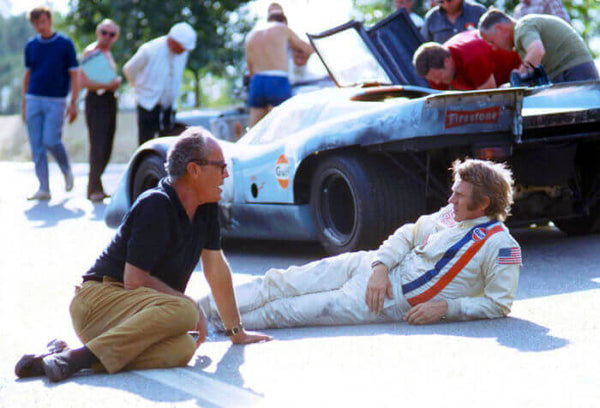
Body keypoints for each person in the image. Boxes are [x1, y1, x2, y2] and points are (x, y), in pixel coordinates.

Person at [15, 127, 271, 382]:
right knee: (186, 311)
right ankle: (75, 359)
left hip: (135, 317)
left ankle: (71, 357)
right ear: (194, 170)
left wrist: (236, 332)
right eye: (220, 166)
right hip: (97, 303)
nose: (226, 174)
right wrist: (190, 306)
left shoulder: (206, 207)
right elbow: (134, 281)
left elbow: (216, 268)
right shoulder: (156, 204)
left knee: (182, 348)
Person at [200, 159, 522, 330]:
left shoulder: (500, 245)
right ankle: (194, 312)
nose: (450, 198)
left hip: (383, 301)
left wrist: (446, 308)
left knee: (286, 311)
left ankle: (215, 325)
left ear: (483, 203)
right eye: (453, 191)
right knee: (279, 281)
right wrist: (380, 266)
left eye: (459, 195)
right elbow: (407, 234)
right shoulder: (452, 212)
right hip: (370, 266)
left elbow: (498, 304)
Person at [22, 6, 79, 201]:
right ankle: (43, 187)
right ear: (34, 25)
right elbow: (27, 75)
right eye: (37, 23)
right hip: (33, 99)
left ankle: (66, 169)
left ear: (50, 20)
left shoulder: (64, 44)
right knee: (36, 145)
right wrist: (24, 103)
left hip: (56, 100)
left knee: (51, 140)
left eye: (44, 21)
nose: (41, 26)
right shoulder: (31, 46)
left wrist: (74, 102)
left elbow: (75, 74)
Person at [123, 22, 196, 146]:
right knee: (146, 143)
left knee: (169, 144)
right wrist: (139, 88)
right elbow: (129, 69)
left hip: (168, 106)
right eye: (181, 47)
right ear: (172, 41)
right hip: (148, 104)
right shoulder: (150, 50)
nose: (183, 51)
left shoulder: (183, 54)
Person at [479, 9, 599, 83]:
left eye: (492, 42)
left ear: (500, 28)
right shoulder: (521, 35)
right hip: (570, 73)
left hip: (574, 73)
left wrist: (516, 78)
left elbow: (537, 51)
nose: (493, 48)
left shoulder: (523, 27)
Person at [245, 4, 314, 126]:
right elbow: (308, 49)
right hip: (277, 80)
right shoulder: (282, 29)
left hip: (256, 82)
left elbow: (250, 67)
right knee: (286, 126)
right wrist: (294, 50)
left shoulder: (251, 35)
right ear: (283, 20)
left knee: (254, 129)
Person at [80, 19, 122, 202]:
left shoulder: (108, 54)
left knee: (107, 145)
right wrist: (109, 84)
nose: (107, 37)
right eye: (104, 32)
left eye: (111, 34)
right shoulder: (92, 52)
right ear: (98, 32)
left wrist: (113, 86)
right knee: (98, 144)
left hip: (109, 101)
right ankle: (93, 187)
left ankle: (97, 184)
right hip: (96, 100)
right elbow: (84, 82)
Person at [413, 30, 521, 90]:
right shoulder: (435, 72)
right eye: (432, 79)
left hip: (519, 67)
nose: (436, 82)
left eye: (438, 77)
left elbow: (490, 98)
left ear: (447, 61)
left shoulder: (472, 57)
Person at [421, 0, 486, 44]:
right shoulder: (431, 18)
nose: (446, 3)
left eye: (449, 0)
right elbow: (424, 46)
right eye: (441, 1)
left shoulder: (478, 12)